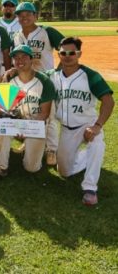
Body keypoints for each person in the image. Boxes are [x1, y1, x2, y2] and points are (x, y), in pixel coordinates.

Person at [47, 37, 114, 206]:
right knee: (64, 172)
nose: (67, 56)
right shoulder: (53, 76)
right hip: (67, 130)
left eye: (72, 52)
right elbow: (32, 75)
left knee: (97, 144)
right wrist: (13, 72)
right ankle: (84, 158)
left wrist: (97, 126)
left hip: (88, 124)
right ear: (59, 54)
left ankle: (90, 188)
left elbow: (108, 101)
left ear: (79, 54)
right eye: (63, 53)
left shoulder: (90, 75)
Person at [0, 45, 55, 182]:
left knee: (31, 168)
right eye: (16, 57)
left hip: (36, 125)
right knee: (3, 127)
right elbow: (0, 108)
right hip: (16, 120)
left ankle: (33, 147)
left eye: (24, 56)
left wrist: (26, 129)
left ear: (31, 59)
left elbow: (44, 113)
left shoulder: (44, 81)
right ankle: (1, 167)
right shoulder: (9, 79)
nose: (20, 60)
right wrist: (2, 116)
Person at [12, 1, 65, 165]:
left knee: (49, 116)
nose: (24, 17)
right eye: (21, 15)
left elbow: (66, 47)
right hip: (26, 80)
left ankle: (51, 150)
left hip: (45, 79)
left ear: (35, 15)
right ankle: (28, 143)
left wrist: (59, 70)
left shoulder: (46, 31)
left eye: (28, 14)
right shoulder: (16, 35)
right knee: (27, 112)